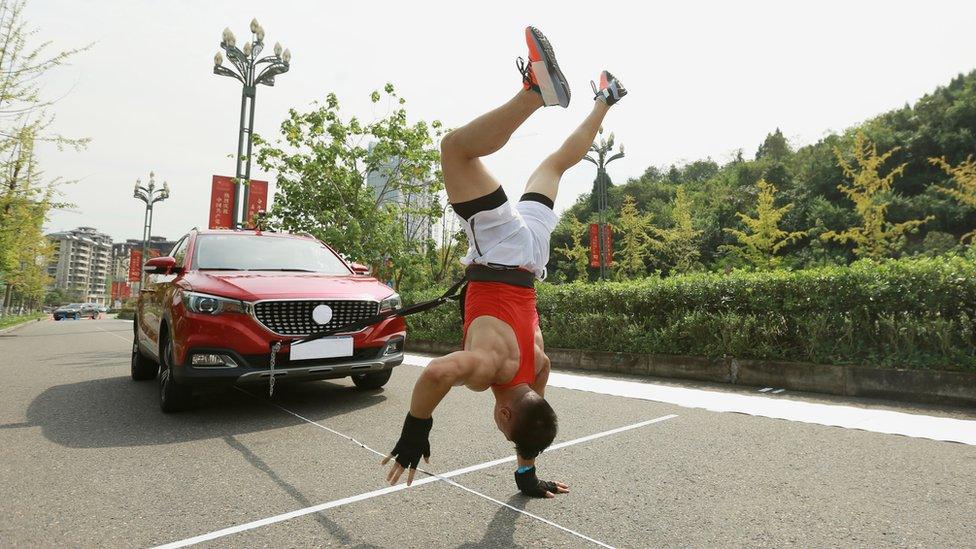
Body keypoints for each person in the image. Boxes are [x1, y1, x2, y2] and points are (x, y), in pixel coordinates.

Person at [382, 26, 626, 497]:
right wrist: (416, 429)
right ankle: (536, 93)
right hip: (501, 252)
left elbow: (537, 399)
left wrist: (526, 470)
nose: (500, 423)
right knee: (455, 149)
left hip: (532, 258)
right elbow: (436, 374)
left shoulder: (537, 368)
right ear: (506, 414)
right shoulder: (488, 370)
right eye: (504, 427)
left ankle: (606, 99)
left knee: (554, 165)